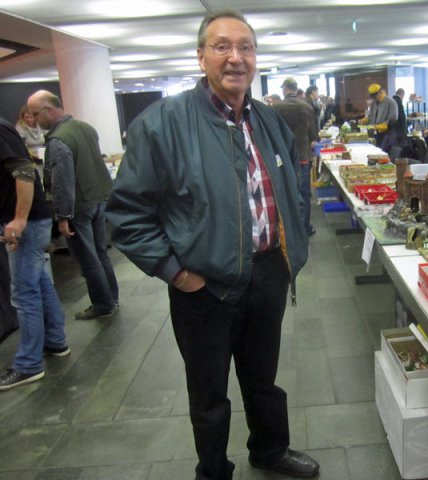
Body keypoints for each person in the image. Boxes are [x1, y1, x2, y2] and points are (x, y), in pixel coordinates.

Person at [106, 9, 317, 480]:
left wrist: (290, 252)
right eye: (222, 47)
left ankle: (270, 450)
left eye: (246, 47)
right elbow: (126, 213)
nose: (235, 58)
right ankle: (214, 470)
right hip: (203, 285)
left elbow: (291, 191)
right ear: (201, 57)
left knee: (263, 378)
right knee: (208, 391)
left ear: (256, 58)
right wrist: (176, 273)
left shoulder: (268, 120)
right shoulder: (163, 124)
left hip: (267, 273)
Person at [26, 90, 119, 320]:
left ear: (48, 109)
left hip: (79, 207)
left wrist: (62, 217)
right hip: (98, 200)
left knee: (88, 259)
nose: (34, 120)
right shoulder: (86, 128)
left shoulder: (59, 141)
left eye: (35, 114)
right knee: (100, 253)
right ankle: (111, 298)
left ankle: (103, 304)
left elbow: (62, 182)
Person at [0, 117, 68, 391]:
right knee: (39, 282)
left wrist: (19, 219)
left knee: (23, 292)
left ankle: (29, 365)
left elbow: (25, 172)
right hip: (26, 220)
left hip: (26, 222)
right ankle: (55, 341)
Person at [272, 77, 318, 236]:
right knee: (304, 193)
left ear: (285, 89)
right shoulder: (307, 107)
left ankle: (288, 229)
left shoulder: (275, 108)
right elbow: (313, 134)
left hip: (282, 158)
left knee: (285, 193)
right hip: (303, 156)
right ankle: (304, 228)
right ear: (296, 88)